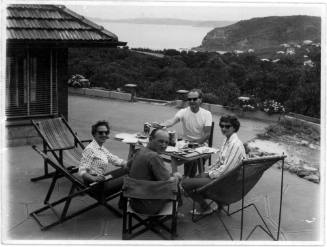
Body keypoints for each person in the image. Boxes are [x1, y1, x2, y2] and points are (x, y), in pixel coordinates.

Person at [182, 114, 246, 216]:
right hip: (221, 176)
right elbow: (220, 161)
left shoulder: (235, 144)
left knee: (185, 184)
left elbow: (226, 170)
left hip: (225, 180)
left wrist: (210, 174)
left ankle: (206, 207)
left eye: (227, 126)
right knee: (197, 177)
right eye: (222, 126)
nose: (224, 128)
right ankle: (218, 202)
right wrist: (209, 171)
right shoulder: (227, 140)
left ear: (234, 127)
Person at [152, 88, 213, 177]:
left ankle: (191, 178)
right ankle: (182, 178)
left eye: (194, 99)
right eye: (189, 99)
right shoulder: (183, 112)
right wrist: (161, 125)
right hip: (186, 144)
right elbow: (172, 121)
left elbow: (207, 134)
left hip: (201, 144)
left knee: (194, 162)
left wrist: (194, 144)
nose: (192, 101)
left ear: (200, 100)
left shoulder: (207, 114)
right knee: (177, 157)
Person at [128, 128, 182, 215]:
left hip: (133, 200)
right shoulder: (154, 157)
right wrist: (176, 177)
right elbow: (167, 181)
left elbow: (127, 167)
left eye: (166, 142)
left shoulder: (140, 151)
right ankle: (176, 212)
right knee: (176, 180)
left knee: (170, 177)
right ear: (150, 139)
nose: (164, 145)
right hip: (148, 205)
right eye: (160, 141)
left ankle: (176, 211)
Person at [79, 120, 128, 199]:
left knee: (128, 169)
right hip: (97, 186)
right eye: (101, 133)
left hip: (103, 180)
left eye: (106, 132)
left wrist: (125, 163)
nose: (104, 135)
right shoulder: (90, 150)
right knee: (132, 178)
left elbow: (112, 158)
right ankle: (125, 205)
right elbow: (82, 171)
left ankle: (124, 204)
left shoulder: (100, 147)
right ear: (94, 134)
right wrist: (93, 178)